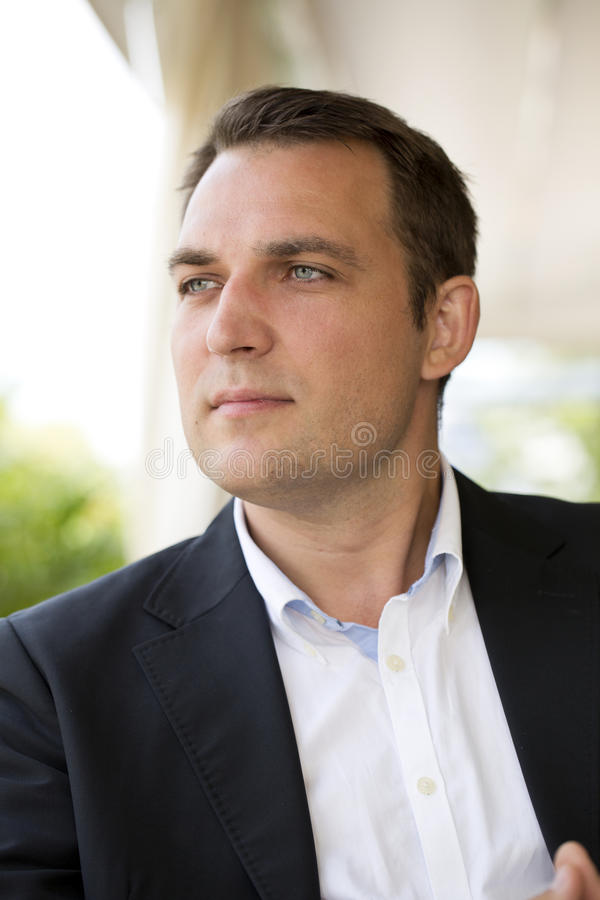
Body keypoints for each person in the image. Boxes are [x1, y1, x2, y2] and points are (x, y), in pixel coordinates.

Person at [0, 86, 598, 900]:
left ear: (443, 325)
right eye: (199, 283)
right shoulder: (47, 687)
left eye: (302, 270)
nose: (227, 329)